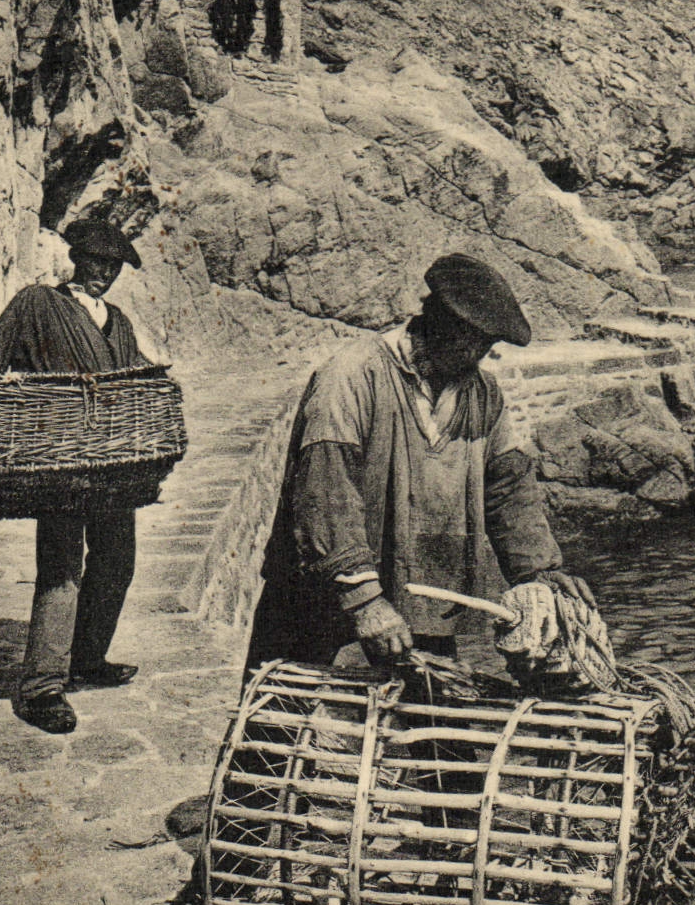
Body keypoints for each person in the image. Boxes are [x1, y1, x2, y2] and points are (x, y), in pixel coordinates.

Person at [244, 253, 596, 675]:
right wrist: (365, 601)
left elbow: (509, 488)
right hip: (321, 600)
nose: (475, 355)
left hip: (423, 601)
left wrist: (538, 571)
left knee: (437, 731)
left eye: (485, 346)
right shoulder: (351, 376)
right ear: (434, 321)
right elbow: (326, 494)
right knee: (283, 722)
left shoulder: (482, 393)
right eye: (465, 340)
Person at [0, 219, 152, 734]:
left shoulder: (117, 321)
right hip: (57, 460)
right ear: (77, 259)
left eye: (113, 266)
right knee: (61, 568)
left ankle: (87, 659)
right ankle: (42, 688)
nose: (103, 273)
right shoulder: (39, 304)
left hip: (112, 460)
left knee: (117, 557)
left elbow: (137, 374)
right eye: (95, 262)